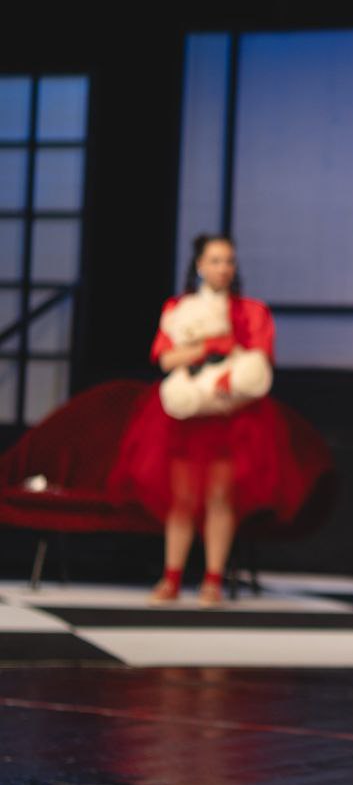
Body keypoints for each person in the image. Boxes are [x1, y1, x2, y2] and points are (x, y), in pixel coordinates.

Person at [111, 234, 312, 607]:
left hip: (231, 418)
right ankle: (171, 577)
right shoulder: (179, 308)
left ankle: (213, 579)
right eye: (216, 260)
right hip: (186, 418)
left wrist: (231, 372)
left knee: (220, 497)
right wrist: (205, 347)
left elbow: (259, 362)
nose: (224, 268)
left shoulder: (250, 311)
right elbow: (165, 358)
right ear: (200, 265)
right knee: (182, 498)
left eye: (229, 261)